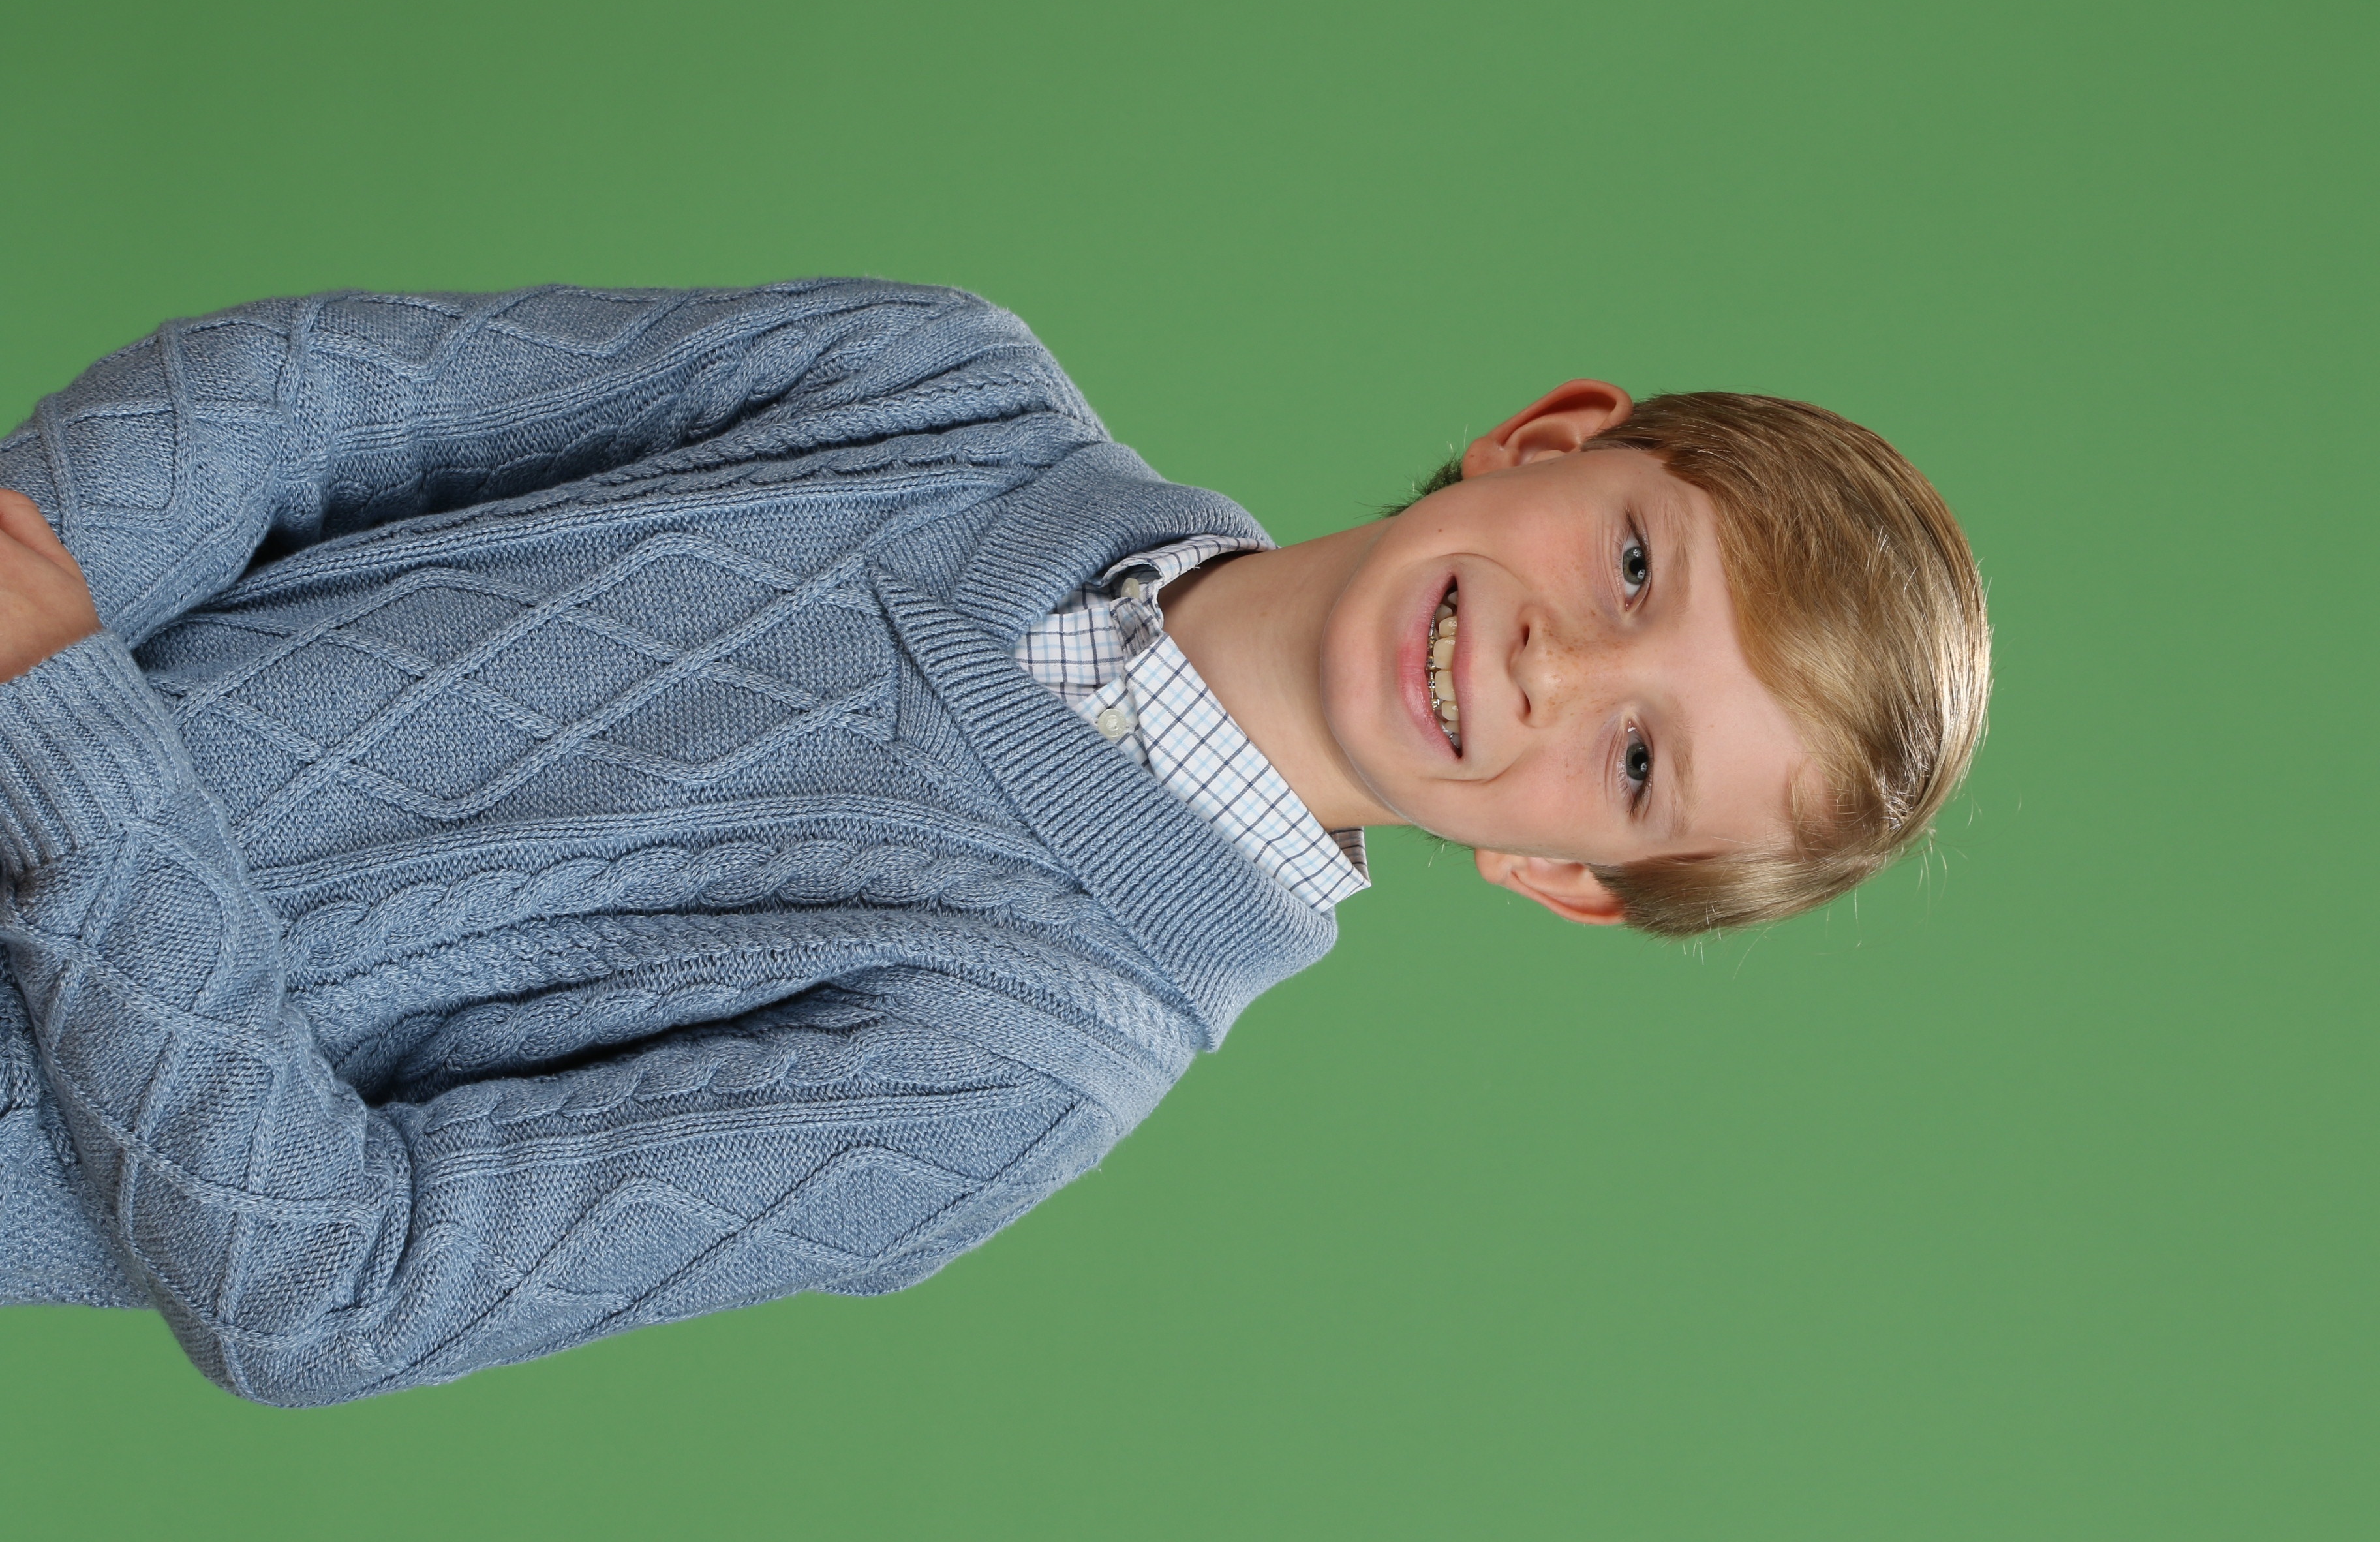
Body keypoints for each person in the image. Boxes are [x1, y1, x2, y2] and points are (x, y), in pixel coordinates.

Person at [0, 279, 1989, 1404]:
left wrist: (60, 729)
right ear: (1549, 439)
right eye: (1635, 566)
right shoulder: (935, 383)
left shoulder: (1015, 1067)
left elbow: (334, 1283)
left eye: (1639, 767)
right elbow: (318, 395)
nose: (1564, 666)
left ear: (1564, 878)